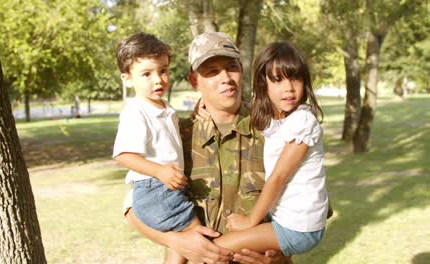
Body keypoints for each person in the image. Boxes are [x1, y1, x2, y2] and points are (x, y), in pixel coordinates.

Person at [124, 32, 292, 263]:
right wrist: (176, 242)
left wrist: (282, 253)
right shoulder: (178, 136)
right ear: (195, 81)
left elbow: (312, 204)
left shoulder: (276, 130)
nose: (225, 78)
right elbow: (132, 208)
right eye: (212, 71)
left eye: (231, 67)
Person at [214, 41, 329, 257]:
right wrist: (204, 102)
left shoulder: (303, 120)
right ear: (263, 83)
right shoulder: (277, 121)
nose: (289, 88)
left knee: (217, 249)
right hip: (287, 220)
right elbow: (244, 109)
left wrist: (250, 221)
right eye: (277, 80)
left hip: (299, 227)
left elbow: (278, 177)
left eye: (295, 78)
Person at [112, 32, 201, 263]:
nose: (158, 79)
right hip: (155, 189)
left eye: (163, 70)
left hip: (166, 187)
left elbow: (168, 137)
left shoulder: (162, 106)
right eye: (147, 74)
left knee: (180, 248)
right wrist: (159, 171)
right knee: (199, 242)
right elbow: (123, 155)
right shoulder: (136, 111)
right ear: (127, 78)